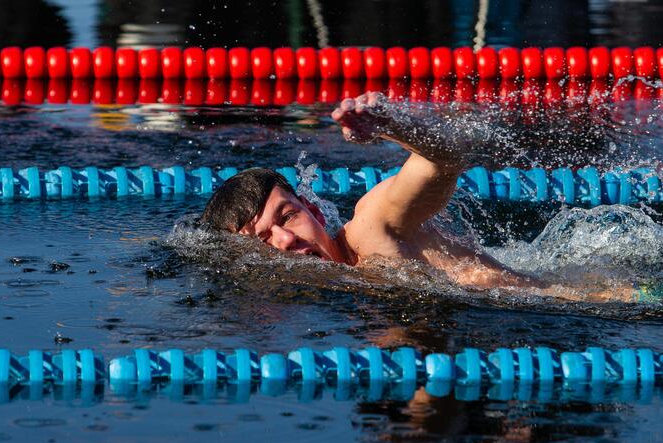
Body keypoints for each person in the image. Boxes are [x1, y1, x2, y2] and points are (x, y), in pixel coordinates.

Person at [199, 92, 648, 303]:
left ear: (314, 209)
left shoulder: (372, 225)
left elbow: (446, 161)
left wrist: (393, 127)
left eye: (288, 215)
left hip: (619, 298)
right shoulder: (332, 292)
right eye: (263, 239)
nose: (284, 239)